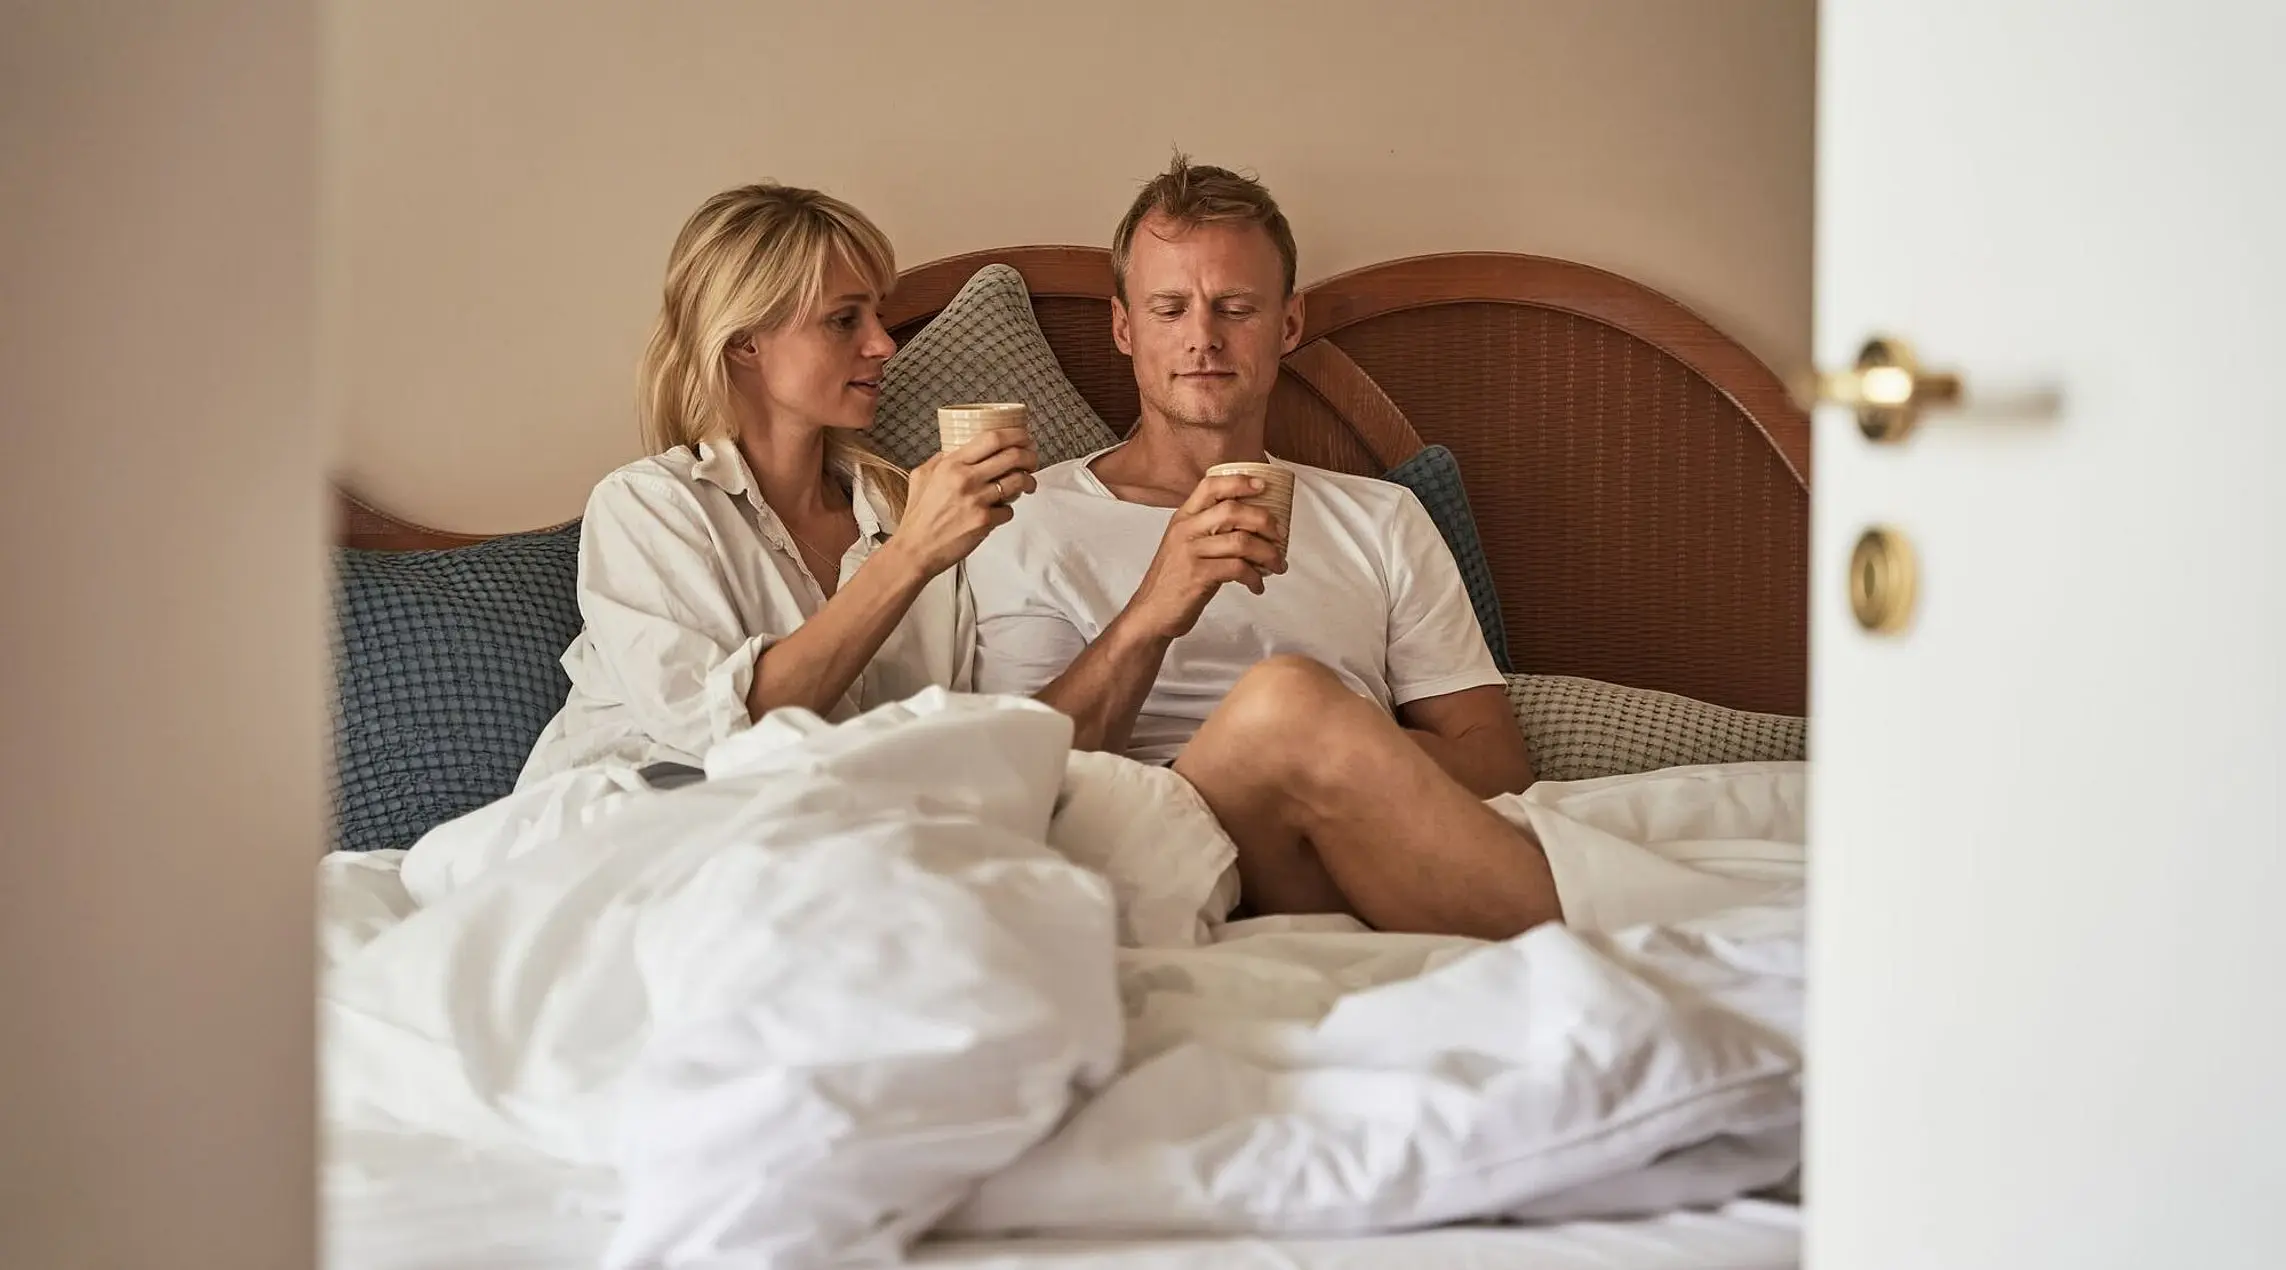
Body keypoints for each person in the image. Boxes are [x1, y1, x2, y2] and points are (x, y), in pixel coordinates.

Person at [966, 157, 1566, 941]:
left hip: (1349, 849)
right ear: (1125, 328)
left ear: (1287, 324)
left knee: (1296, 709)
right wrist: (1157, 609)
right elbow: (1023, 778)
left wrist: (1331, 760)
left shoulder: (1383, 517)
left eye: (1236, 307)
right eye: (1170, 308)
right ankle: (1603, 949)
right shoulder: (1025, 518)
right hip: (1151, 859)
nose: (1203, 338)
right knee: (1284, 700)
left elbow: (1496, 766)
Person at [518, 183, 1037, 786]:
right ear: (743, 342)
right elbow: (724, 739)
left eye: (879, 316)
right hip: (638, 825)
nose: (884, 344)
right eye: (844, 320)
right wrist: (911, 556)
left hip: (837, 836)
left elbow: (960, 736)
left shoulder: (902, 515)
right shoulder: (649, 506)